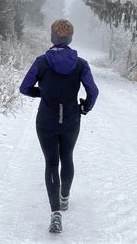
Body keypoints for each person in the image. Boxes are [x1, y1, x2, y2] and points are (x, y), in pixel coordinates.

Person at [19, 19, 99, 233]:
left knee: (51, 163)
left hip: (46, 121)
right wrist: (85, 107)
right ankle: (64, 198)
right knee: (67, 158)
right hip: (71, 120)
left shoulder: (41, 62)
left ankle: (56, 213)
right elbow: (93, 92)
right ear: (70, 38)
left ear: (52, 38)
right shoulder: (81, 64)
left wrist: (42, 93)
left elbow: (24, 88)